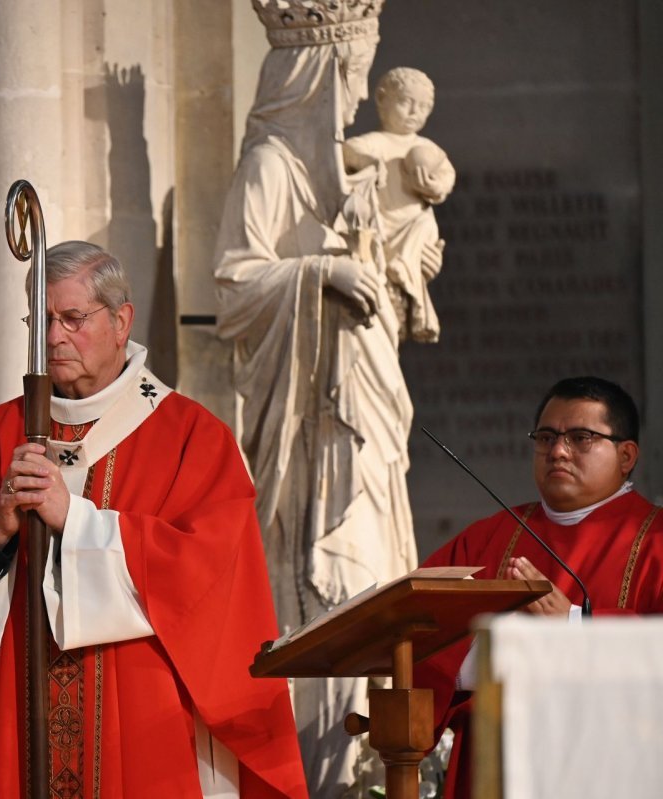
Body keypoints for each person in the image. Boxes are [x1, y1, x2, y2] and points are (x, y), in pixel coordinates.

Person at [0, 241, 307, 798]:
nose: (54, 337)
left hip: (143, 728)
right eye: (43, 321)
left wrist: (74, 522)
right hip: (16, 720)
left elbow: (210, 578)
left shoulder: (191, 438)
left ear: (121, 320)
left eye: (73, 318)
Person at [211, 2, 438, 795]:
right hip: (309, 435)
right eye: (350, 72)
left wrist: (403, 270)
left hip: (370, 414)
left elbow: (392, 294)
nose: (356, 94)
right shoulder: (273, 164)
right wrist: (324, 273)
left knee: (377, 573)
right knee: (329, 590)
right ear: (313, 72)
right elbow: (235, 283)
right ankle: (320, 776)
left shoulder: (353, 172)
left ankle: (377, 769)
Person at [415, 376, 663, 799]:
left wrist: (573, 625)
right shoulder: (487, 538)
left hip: (616, 769)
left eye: (581, 437)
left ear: (626, 455)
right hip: (495, 768)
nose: (558, 450)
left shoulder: (656, 540)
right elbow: (416, 630)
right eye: (546, 436)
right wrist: (488, 654)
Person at [343, 67, 455, 343]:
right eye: (406, 102)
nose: (414, 112)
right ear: (382, 99)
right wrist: (366, 162)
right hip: (381, 232)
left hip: (413, 228)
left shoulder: (426, 147)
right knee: (382, 318)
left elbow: (446, 174)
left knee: (425, 222)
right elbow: (346, 151)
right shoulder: (373, 143)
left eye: (424, 106)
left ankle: (407, 272)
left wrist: (435, 187)